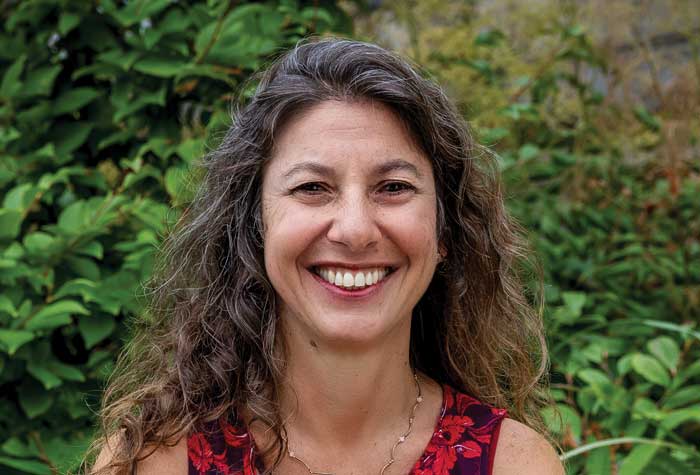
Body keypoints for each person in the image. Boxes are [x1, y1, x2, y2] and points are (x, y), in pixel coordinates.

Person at [89, 37, 564, 475]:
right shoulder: (153, 462)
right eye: (312, 187)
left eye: (394, 187)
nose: (355, 230)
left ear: (444, 231)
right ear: (254, 227)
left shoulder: (515, 464)